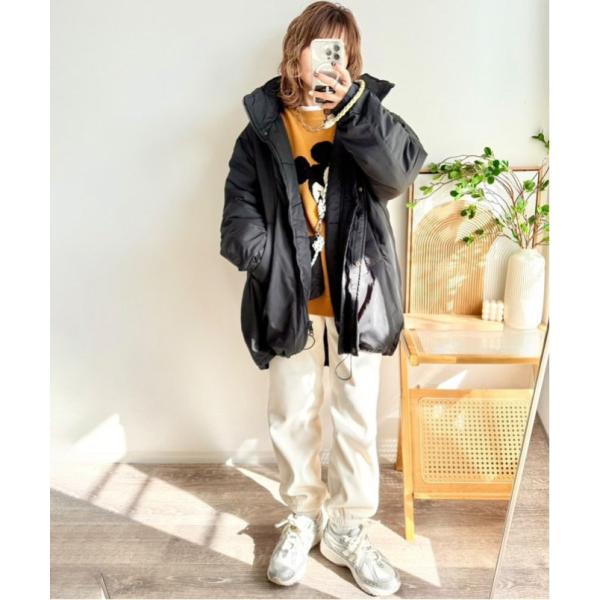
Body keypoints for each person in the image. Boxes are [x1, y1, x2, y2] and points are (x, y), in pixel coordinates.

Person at [220, 1, 427, 596]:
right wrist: (270, 265)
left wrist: (355, 106)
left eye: (341, 49)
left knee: (357, 420)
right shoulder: (262, 128)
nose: (330, 59)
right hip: (291, 300)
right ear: (298, 51)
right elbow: (239, 213)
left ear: (350, 59)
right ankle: (303, 517)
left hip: (358, 299)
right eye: (320, 46)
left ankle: (347, 529)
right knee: (292, 416)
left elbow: (400, 172)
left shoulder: (367, 112)